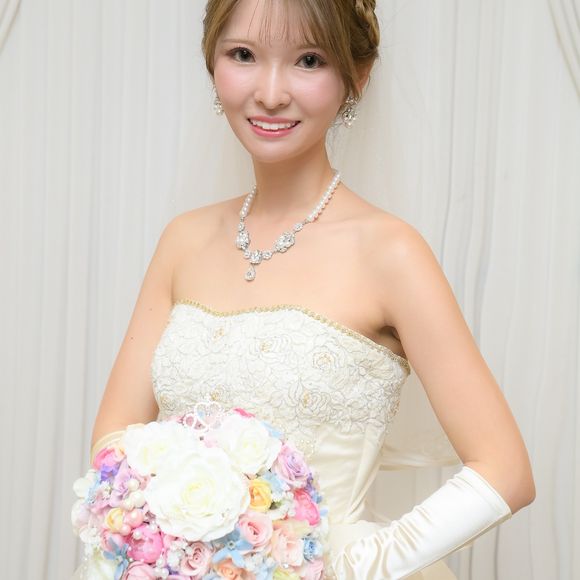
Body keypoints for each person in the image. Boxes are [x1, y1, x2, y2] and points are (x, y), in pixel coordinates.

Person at [86, 0, 536, 578]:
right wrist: (162, 540)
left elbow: (505, 470)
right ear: (212, 62)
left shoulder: (391, 253)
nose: (271, 93)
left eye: (308, 60)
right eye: (243, 55)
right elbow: (113, 442)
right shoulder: (183, 240)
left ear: (357, 76)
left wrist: (347, 567)